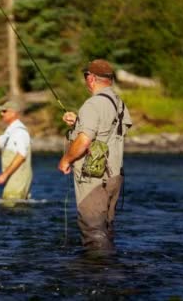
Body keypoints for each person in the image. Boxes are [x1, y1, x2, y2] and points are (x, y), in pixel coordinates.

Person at [58, 59, 132, 251]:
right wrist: (78, 122)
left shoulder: (92, 105)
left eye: (85, 77)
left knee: (93, 231)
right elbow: (107, 133)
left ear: (91, 78)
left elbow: (84, 141)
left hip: (94, 179)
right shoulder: (118, 104)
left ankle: (97, 274)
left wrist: (66, 159)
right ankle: (109, 273)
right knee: (105, 229)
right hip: (115, 176)